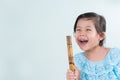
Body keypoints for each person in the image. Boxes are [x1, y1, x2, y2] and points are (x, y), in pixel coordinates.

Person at [66, 12, 120, 80]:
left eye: (88, 29)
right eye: (78, 30)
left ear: (101, 36)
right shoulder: (78, 60)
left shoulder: (115, 55)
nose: (82, 34)